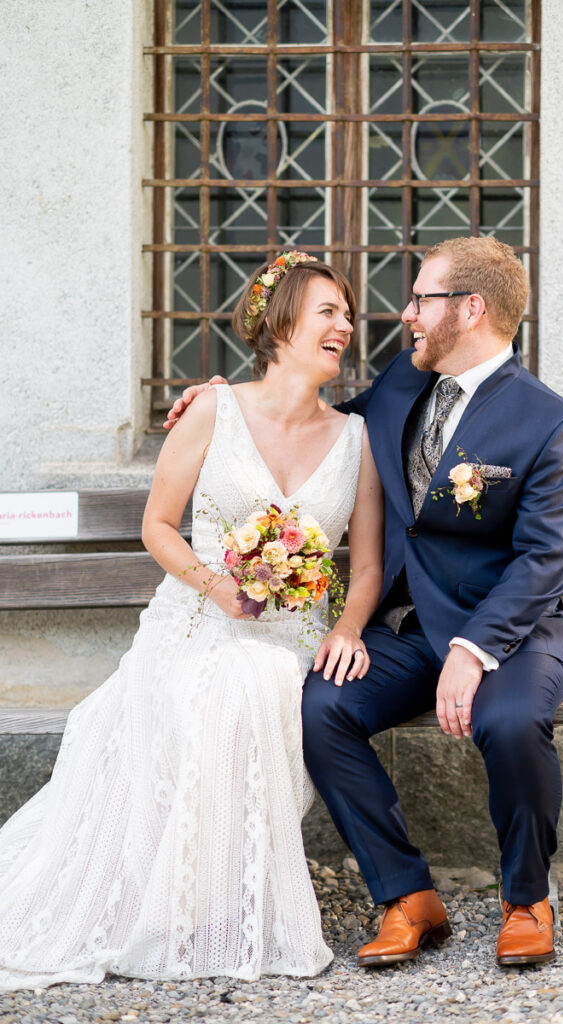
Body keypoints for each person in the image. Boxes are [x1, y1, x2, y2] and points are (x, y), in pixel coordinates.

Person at [167, 236, 563, 969]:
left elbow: (543, 561)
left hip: (509, 634)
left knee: (510, 721)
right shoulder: (402, 382)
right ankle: (404, 894)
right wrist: (224, 400)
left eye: (420, 300)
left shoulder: (551, 425)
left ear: (470, 308)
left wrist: (471, 650)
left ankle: (526, 898)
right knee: (320, 707)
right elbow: (316, 423)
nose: (405, 317)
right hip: (407, 629)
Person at [0, 252, 384, 990]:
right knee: (228, 681)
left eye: (346, 314)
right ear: (280, 324)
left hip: (295, 634)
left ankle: (208, 901)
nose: (345, 326)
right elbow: (158, 525)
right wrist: (215, 586)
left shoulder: (355, 439)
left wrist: (348, 628)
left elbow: (363, 567)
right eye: (328, 312)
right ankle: (192, 909)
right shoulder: (214, 409)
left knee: (262, 677)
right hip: (198, 622)